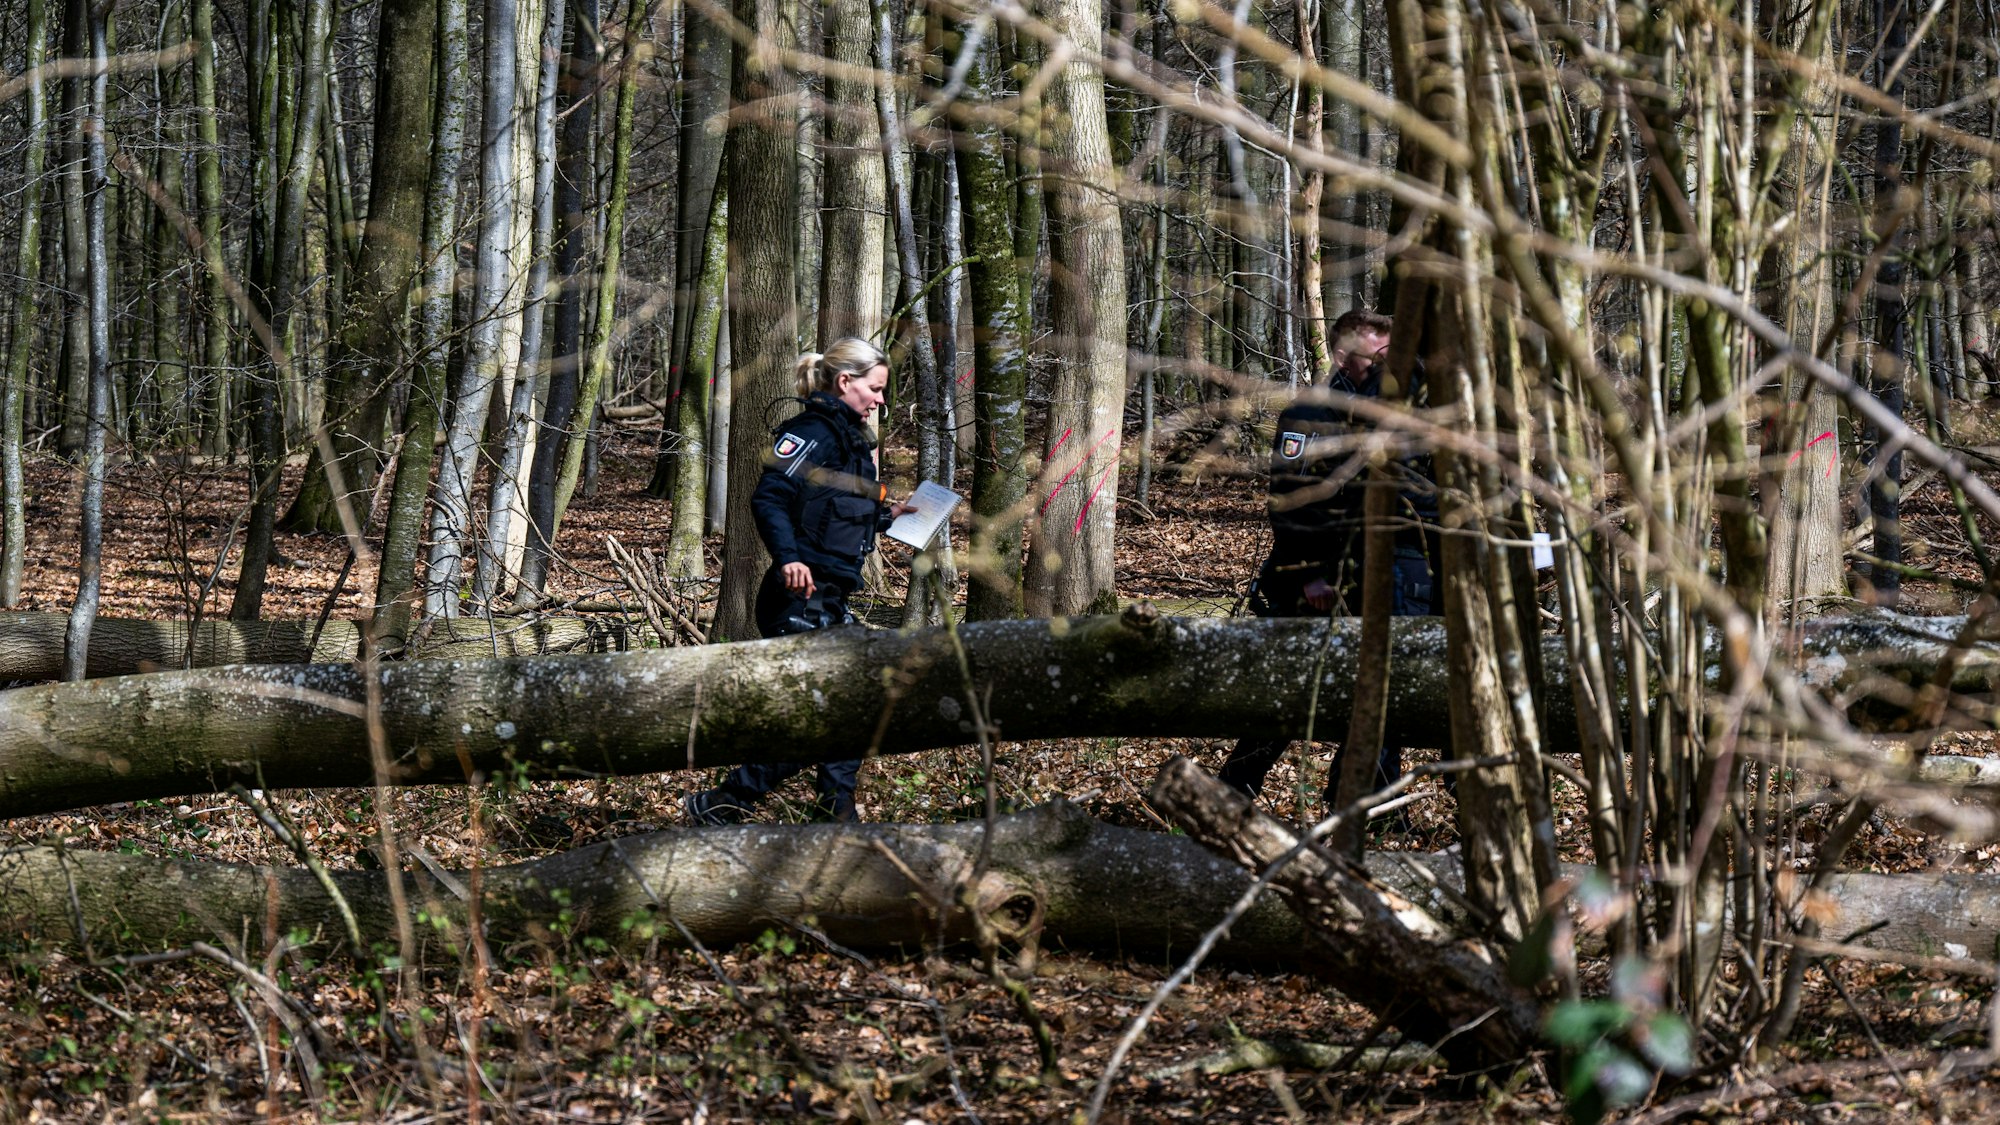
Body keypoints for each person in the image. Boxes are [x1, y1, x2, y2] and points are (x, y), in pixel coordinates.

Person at [683, 337, 916, 825]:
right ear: (845, 382)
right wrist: (789, 558)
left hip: (831, 600)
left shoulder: (854, 445)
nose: (879, 400)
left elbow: (834, 517)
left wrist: (886, 517)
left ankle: (833, 815)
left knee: (856, 704)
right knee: (828, 717)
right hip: (795, 597)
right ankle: (723, 804)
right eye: (874, 389)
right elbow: (768, 497)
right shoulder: (811, 431)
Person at [1216, 308, 1441, 805]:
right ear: (1344, 354)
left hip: (1396, 569)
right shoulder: (1311, 413)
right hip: (1323, 574)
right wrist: (1311, 574)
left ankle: (1363, 802)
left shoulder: (1405, 407)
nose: (1387, 358)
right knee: (1300, 687)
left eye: (1391, 348)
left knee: (1387, 685)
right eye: (1375, 349)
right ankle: (1235, 788)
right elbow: (1293, 501)